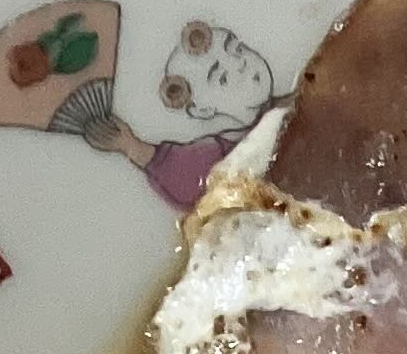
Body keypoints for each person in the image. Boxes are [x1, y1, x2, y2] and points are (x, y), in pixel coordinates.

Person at [80, 22, 277, 212]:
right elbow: (179, 171)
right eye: (222, 78)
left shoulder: (289, 106)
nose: (240, 63)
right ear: (202, 110)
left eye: (237, 49)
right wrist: (131, 146)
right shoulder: (222, 157)